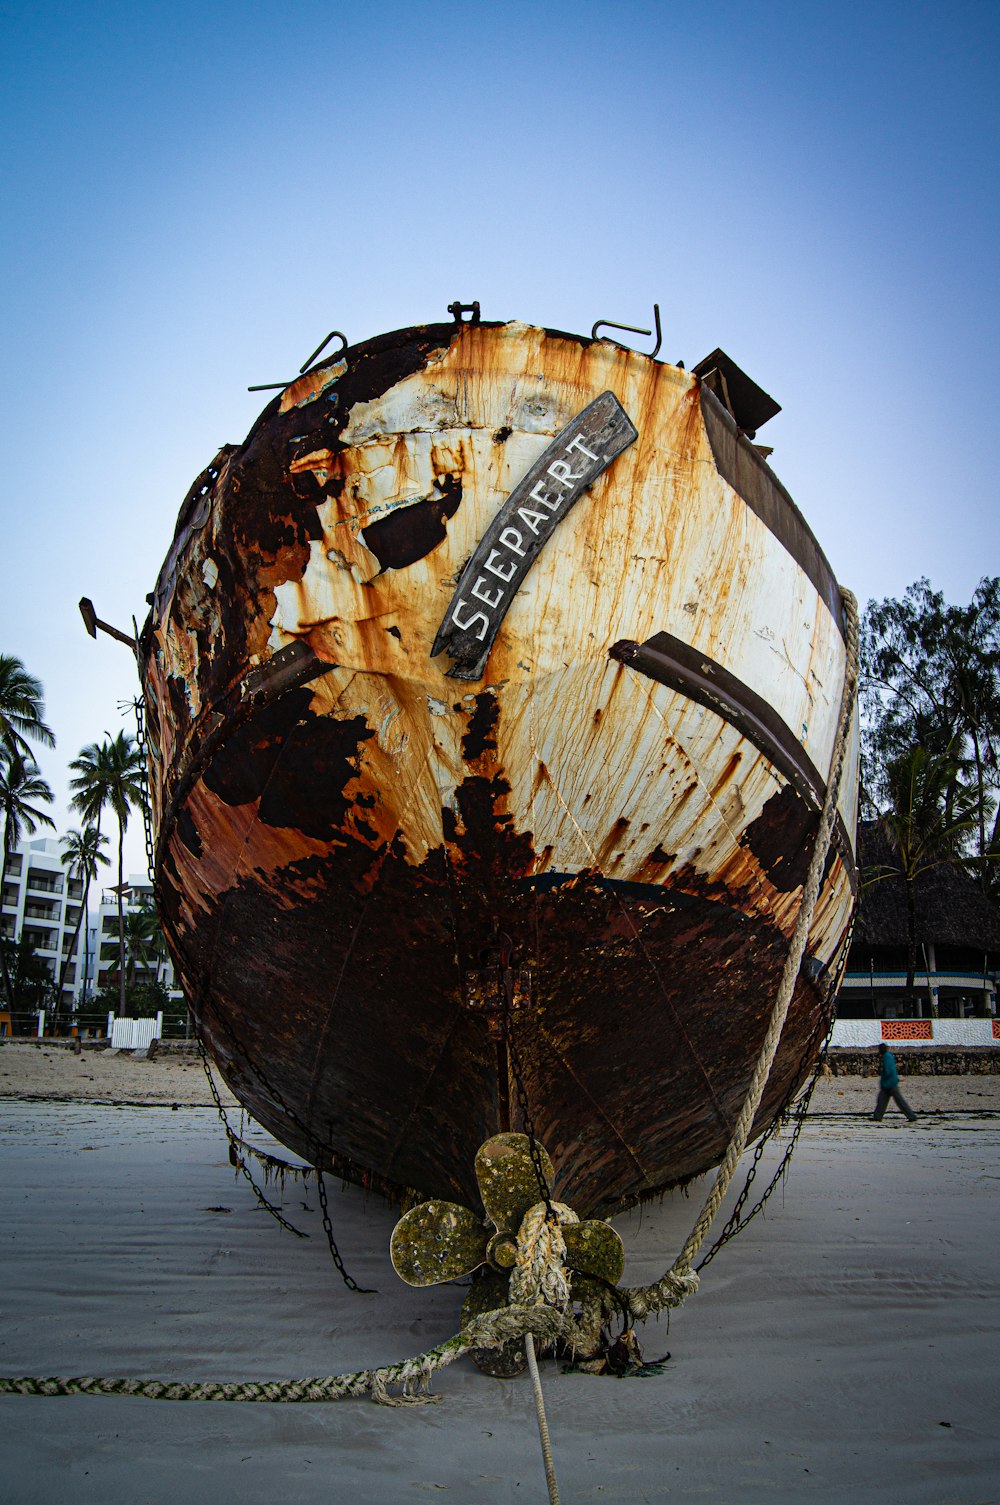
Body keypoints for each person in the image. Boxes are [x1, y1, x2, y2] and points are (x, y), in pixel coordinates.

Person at [872, 1042, 917, 1122]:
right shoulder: (889, 1055)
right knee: (882, 1101)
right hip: (890, 1083)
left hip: (889, 1083)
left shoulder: (886, 1057)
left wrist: (884, 1078)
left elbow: (887, 1070)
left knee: (898, 1101)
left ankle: (911, 1116)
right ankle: (877, 1117)